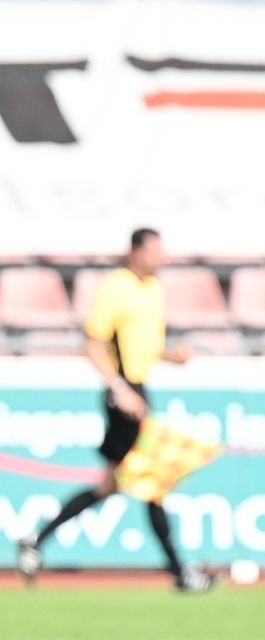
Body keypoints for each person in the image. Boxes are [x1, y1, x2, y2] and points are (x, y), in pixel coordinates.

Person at [13, 228, 211, 591]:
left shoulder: (153, 289)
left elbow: (145, 346)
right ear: (135, 251)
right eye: (154, 250)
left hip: (139, 390)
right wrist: (119, 389)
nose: (161, 257)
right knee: (153, 482)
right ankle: (181, 572)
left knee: (112, 485)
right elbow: (92, 345)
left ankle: (36, 541)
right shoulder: (117, 287)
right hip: (124, 394)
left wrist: (172, 357)